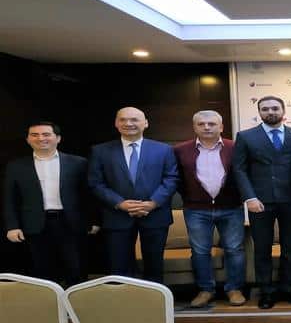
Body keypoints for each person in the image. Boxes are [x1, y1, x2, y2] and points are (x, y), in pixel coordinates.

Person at [88, 107, 178, 283]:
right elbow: (95, 183)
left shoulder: (164, 149)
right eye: (123, 119)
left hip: (155, 215)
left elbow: (171, 178)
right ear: (116, 123)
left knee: (154, 265)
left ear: (145, 123)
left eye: (134, 120)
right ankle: (124, 300)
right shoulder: (100, 151)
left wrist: (153, 203)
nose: (128, 123)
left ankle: (154, 298)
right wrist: (120, 203)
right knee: (118, 267)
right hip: (116, 215)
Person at [4, 121, 99, 287]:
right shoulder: (16, 166)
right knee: (42, 271)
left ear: (58, 138)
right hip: (34, 224)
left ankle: (75, 303)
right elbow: (9, 198)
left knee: (76, 269)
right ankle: (47, 303)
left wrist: (94, 220)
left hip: (71, 223)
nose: (41, 138)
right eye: (35, 135)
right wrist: (12, 226)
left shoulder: (79, 163)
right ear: (28, 139)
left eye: (46, 134)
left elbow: (89, 195)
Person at [232, 95, 291, 309]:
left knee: (290, 247)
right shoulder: (245, 136)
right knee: (262, 248)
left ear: (283, 111)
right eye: (265, 109)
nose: (270, 112)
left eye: (274, 108)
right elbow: (239, 169)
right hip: (259, 202)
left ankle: (289, 287)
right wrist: (250, 197)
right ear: (259, 113)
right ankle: (266, 291)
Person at [174, 110, 246, 307]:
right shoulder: (180, 150)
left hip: (231, 208)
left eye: (211, 124)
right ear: (194, 127)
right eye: (201, 124)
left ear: (221, 127)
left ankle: (234, 289)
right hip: (196, 209)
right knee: (200, 251)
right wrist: (191, 197)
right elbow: (176, 179)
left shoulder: (235, 147)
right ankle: (205, 290)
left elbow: (244, 174)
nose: (206, 127)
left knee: (234, 249)